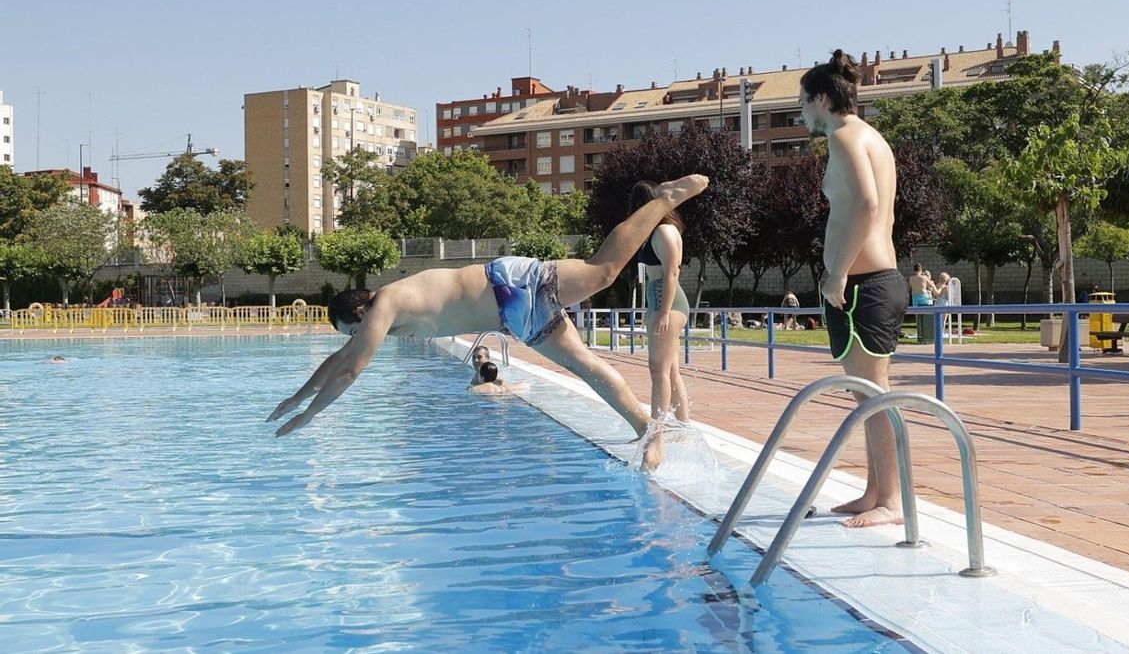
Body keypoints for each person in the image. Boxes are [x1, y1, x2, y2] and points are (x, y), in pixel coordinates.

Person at [267, 174, 711, 471]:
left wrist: (310, 416)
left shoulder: (385, 305)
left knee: (603, 271)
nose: (358, 340)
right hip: (513, 318)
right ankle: (648, 433)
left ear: (359, 314)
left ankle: (663, 200)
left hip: (508, 284)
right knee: (586, 367)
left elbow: (349, 369)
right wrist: (296, 396)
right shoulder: (380, 314)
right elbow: (339, 359)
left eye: (354, 332)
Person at [802, 50, 908, 528]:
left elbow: (866, 205)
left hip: (865, 283)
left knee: (875, 394)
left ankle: (893, 501)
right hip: (871, 281)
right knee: (866, 396)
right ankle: (874, 491)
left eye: (803, 104)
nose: (802, 115)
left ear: (822, 99)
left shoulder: (845, 137)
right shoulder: (871, 137)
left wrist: (838, 271)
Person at [631, 181, 691, 426]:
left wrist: (664, 312)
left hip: (667, 301)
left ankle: (657, 429)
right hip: (663, 300)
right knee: (670, 370)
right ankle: (684, 424)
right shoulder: (664, 229)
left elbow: (671, 273)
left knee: (658, 370)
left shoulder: (663, 231)